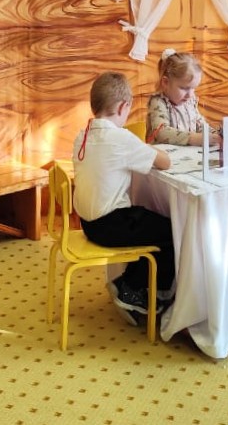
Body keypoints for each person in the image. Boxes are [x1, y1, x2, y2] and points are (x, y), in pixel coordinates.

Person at [73, 71, 176, 325]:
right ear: (122, 106)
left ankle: (136, 286)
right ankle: (133, 287)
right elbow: (165, 162)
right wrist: (145, 147)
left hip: (87, 223)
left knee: (148, 220)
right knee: (172, 231)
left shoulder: (82, 135)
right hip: (110, 225)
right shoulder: (120, 138)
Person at [145, 49, 218, 147]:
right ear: (165, 82)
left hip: (185, 154)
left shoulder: (189, 102)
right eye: (184, 88)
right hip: (163, 155)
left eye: (193, 88)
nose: (190, 95)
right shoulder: (158, 102)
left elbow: (200, 125)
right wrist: (192, 138)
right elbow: (161, 132)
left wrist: (214, 135)